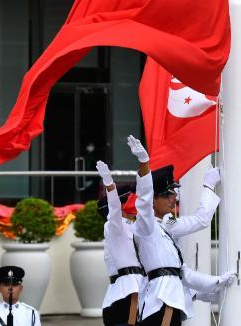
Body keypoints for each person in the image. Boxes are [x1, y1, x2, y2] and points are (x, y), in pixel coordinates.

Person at [129, 135, 232, 325]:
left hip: (171, 305)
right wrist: (144, 165)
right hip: (158, 305)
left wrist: (215, 283)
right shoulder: (144, 226)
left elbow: (200, 221)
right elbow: (143, 200)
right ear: (154, 199)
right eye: (167, 195)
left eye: (173, 194)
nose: (173, 199)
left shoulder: (167, 226)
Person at [96, 161, 145, 326]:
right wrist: (110, 185)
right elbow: (114, 210)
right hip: (124, 298)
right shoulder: (114, 227)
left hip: (141, 294)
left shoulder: (134, 226)